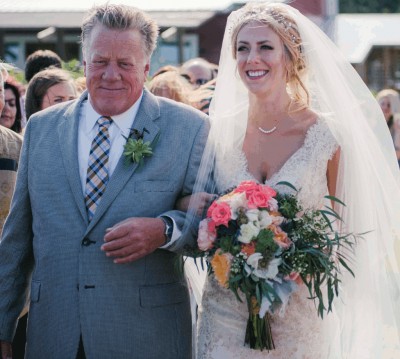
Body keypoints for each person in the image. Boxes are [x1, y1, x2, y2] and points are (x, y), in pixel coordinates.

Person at [184, 2, 400, 358]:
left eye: (265, 47)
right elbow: (191, 200)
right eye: (242, 48)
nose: (252, 58)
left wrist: (307, 259)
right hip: (226, 308)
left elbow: (351, 233)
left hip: (298, 313)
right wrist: (210, 226)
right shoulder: (217, 131)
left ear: (291, 57)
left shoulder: (327, 136)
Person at [0, 4, 209, 359]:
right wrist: (3, 327)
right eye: (100, 61)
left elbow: (210, 221)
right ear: (83, 63)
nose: (111, 75)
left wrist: (163, 230)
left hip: (146, 337)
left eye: (125, 64)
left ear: (145, 67)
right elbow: (17, 240)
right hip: (55, 335)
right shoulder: (41, 128)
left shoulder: (188, 129)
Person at [376, 88, 400, 163]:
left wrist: (398, 132)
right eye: (383, 104)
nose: (385, 107)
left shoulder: (396, 125)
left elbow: (398, 154)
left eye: (389, 105)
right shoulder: (373, 123)